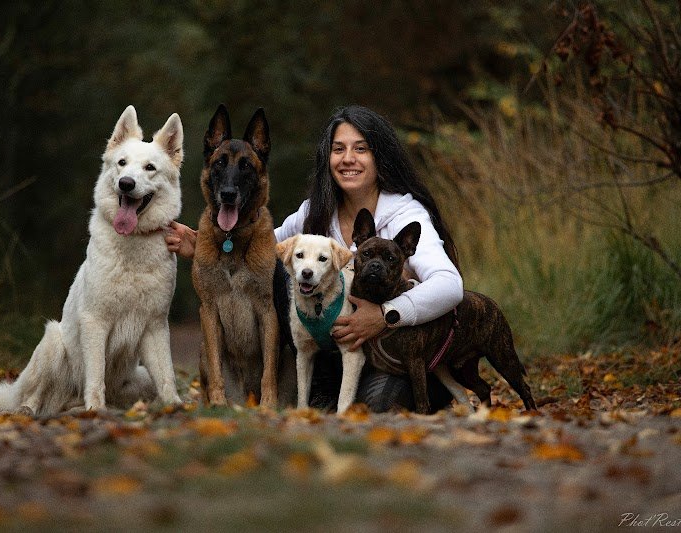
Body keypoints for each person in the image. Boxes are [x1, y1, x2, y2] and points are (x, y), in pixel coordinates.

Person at [166, 105, 463, 412]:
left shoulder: (405, 215)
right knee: (283, 270)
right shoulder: (315, 212)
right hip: (335, 356)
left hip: (399, 358)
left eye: (360, 149)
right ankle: (314, 384)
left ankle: (426, 390)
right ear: (328, 158)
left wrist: (385, 314)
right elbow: (265, 248)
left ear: (380, 156)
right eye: (338, 149)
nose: (348, 158)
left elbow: (450, 284)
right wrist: (202, 242)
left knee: (379, 405)